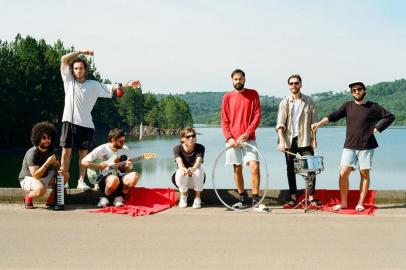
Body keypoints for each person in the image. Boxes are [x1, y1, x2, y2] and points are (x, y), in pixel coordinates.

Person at [59, 50, 141, 191]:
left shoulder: (94, 85)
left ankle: (80, 181)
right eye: (76, 68)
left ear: (85, 70)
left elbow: (113, 87)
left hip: (85, 124)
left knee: (83, 154)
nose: (78, 71)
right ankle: (63, 181)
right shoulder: (68, 80)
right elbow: (64, 59)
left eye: (81, 68)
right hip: (68, 122)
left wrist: (128, 84)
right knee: (66, 153)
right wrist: (81, 52)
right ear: (72, 70)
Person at [312, 82, 395, 212]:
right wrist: (319, 124)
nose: (356, 92)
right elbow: (333, 116)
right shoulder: (348, 106)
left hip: (366, 145)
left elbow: (390, 116)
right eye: (354, 90)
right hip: (349, 145)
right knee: (343, 172)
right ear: (352, 93)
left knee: (364, 173)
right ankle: (344, 203)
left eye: (359, 89)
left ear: (364, 91)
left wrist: (377, 128)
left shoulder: (373, 106)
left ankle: (360, 203)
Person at [276, 74, 320, 208]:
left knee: (311, 168)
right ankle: (293, 198)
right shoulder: (284, 102)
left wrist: (314, 139)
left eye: (296, 83)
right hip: (289, 141)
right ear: (289, 85)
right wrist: (282, 141)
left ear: (301, 84)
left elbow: (314, 123)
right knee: (290, 169)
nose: (293, 85)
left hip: (305, 139)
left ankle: (311, 198)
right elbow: (280, 124)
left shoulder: (309, 101)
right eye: (291, 83)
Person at [221, 69, 262, 208]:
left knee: (254, 166)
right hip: (232, 140)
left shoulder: (253, 94)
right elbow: (224, 120)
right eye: (235, 79)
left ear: (244, 79)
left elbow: (257, 115)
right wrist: (229, 138)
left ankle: (256, 199)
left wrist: (247, 133)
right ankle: (243, 198)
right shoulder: (227, 97)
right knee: (237, 168)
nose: (238, 81)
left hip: (249, 138)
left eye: (240, 79)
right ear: (232, 81)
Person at [81, 128, 140, 207]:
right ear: (113, 140)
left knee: (135, 176)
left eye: (124, 141)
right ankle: (105, 198)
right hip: (103, 178)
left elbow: (126, 171)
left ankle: (119, 197)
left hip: (118, 175)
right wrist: (99, 166)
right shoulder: (101, 149)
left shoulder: (125, 149)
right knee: (113, 179)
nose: (123, 143)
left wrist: (127, 166)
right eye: (120, 141)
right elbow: (83, 161)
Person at [19, 122, 68, 209]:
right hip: (28, 179)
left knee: (65, 175)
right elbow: (36, 175)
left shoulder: (52, 150)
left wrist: (58, 167)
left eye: (49, 138)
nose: (47, 140)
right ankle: (28, 197)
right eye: (44, 138)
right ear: (38, 138)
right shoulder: (32, 153)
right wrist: (47, 163)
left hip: (44, 177)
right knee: (41, 190)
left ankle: (51, 200)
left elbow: (57, 169)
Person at [173, 128, 205, 209]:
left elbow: (198, 161)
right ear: (182, 139)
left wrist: (193, 169)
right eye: (188, 137)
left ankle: (197, 198)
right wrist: (183, 169)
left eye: (193, 136)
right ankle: (183, 196)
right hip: (182, 180)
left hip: (195, 179)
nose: (191, 138)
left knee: (199, 170)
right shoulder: (177, 148)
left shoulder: (200, 147)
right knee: (180, 171)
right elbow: (179, 162)